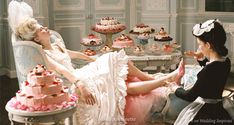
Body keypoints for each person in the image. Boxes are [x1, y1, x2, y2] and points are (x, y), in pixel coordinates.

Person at [14, 17, 185, 125]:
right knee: (123, 88)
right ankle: (166, 79)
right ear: (37, 38)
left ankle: (157, 77)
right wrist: (81, 85)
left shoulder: (57, 44)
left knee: (118, 60)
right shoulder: (45, 54)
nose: (45, 28)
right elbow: (63, 71)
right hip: (74, 81)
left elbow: (77, 54)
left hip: (83, 72)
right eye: (40, 29)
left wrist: (96, 60)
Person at [170, 19, 233, 125]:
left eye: (200, 44)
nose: (199, 47)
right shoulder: (226, 62)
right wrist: (201, 59)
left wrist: (175, 88)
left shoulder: (209, 70)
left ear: (208, 45)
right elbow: (213, 75)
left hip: (206, 111)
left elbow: (190, 96)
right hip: (218, 107)